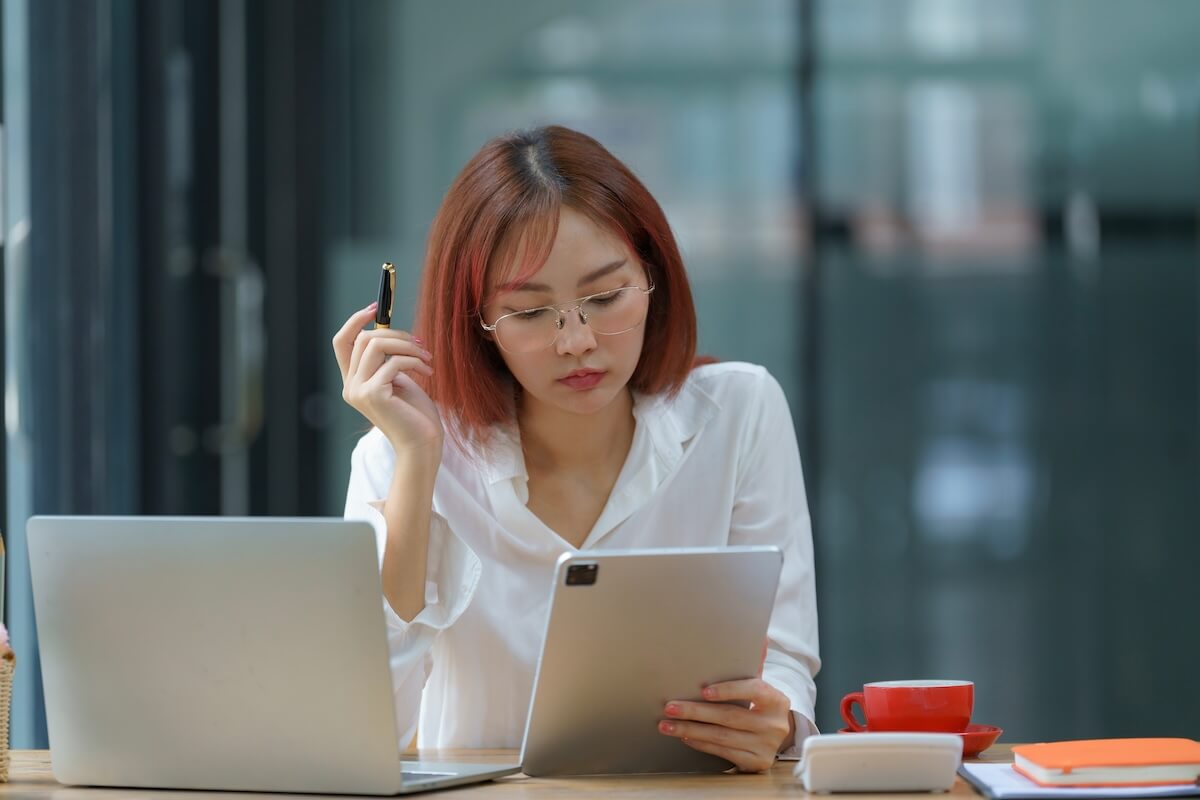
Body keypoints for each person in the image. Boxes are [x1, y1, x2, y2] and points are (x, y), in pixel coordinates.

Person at [333, 125, 819, 773]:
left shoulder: (739, 412)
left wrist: (777, 720)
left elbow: (783, 657)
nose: (577, 342)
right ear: (478, 325)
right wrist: (418, 464)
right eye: (531, 313)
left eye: (604, 297)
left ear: (653, 278)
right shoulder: (401, 454)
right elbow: (366, 734)